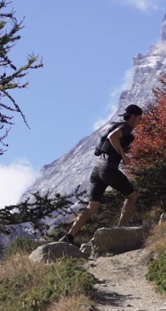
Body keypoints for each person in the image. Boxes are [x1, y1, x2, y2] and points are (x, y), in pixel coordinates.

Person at [59, 104, 143, 245]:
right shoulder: (126, 127)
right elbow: (112, 137)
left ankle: (68, 237)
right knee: (132, 196)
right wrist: (123, 156)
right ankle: (120, 230)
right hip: (108, 169)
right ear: (133, 116)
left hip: (97, 170)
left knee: (92, 207)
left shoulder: (114, 125)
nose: (140, 121)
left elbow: (108, 137)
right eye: (139, 118)